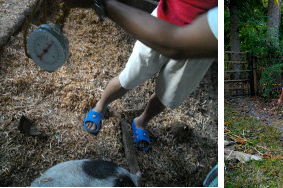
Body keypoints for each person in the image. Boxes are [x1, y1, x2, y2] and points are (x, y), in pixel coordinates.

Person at [65, 0, 218, 151]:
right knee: (128, 77)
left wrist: (102, 3)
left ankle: (141, 122)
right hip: (158, 25)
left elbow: (176, 46)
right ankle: (101, 105)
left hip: (199, 51)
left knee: (167, 95)